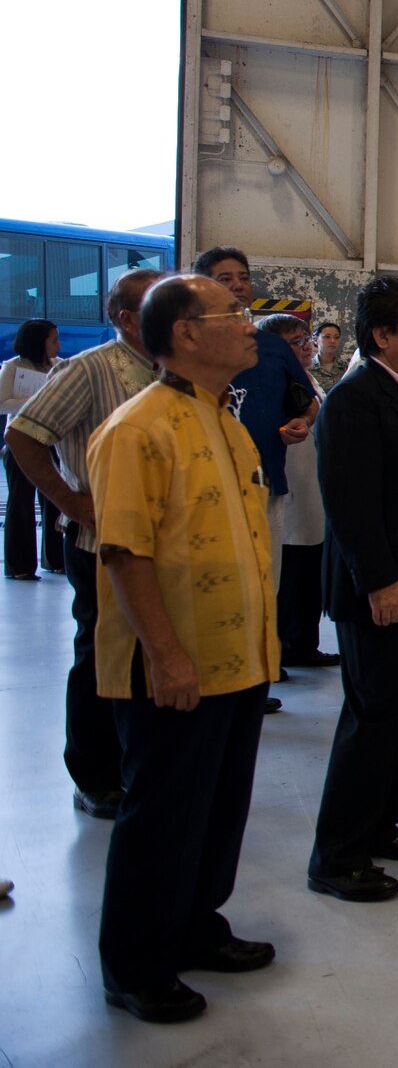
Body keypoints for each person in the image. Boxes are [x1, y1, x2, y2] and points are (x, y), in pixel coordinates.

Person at [87, 274, 279, 1022]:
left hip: (239, 660)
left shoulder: (225, 421)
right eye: (233, 312)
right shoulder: (139, 428)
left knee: (218, 806)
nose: (248, 322)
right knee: (162, 813)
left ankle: (197, 925)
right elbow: (124, 553)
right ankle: (135, 964)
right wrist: (165, 654)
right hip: (176, 663)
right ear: (187, 334)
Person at [307, 277, 398, 903]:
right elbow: (352, 505)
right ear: (383, 335)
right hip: (384, 591)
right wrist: (381, 580)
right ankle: (337, 854)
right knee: (373, 719)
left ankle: (381, 826)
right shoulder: (356, 399)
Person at [5, 270, 161, 819]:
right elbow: (24, 435)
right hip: (102, 540)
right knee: (102, 656)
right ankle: (94, 775)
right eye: (161, 305)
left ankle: (139, 762)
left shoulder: (175, 371)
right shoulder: (90, 369)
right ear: (125, 319)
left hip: (163, 546)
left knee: (149, 653)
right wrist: (71, 502)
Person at [190, 248, 316, 596]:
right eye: (225, 278)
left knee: (262, 588)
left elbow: (306, 403)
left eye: (243, 277)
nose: (238, 285)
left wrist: (301, 423)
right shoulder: (187, 344)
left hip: (265, 482)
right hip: (203, 488)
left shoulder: (271, 347)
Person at [258, 315, 338, 669]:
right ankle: (282, 648)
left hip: (311, 492)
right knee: (287, 577)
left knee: (307, 576)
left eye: (307, 339)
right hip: (287, 492)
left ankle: (304, 642)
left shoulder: (306, 379)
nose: (307, 346)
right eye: (297, 341)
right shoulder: (268, 382)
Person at [2, 318, 65, 578]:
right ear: (39, 342)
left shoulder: (60, 366)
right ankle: (20, 566)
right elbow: (2, 403)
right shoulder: (13, 368)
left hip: (51, 440)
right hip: (20, 441)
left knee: (55, 499)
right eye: (53, 340)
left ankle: (54, 559)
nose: (58, 344)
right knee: (21, 503)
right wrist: (35, 398)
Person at [309, 321, 346, 392]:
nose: (332, 341)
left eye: (336, 337)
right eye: (327, 337)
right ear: (315, 340)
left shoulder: (345, 367)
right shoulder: (308, 369)